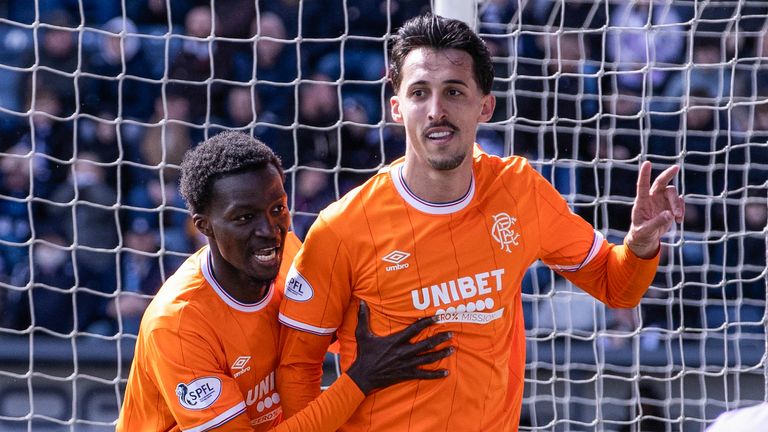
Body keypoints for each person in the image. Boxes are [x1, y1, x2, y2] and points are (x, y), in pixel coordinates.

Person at [277, 13, 685, 431]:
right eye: (419, 93)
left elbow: (617, 287)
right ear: (397, 108)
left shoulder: (519, 190)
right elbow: (296, 366)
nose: (436, 110)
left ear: (485, 106)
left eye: (454, 91)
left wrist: (639, 245)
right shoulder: (342, 227)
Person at [117, 131, 454, 432]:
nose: (270, 231)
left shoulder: (290, 255)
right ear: (203, 226)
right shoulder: (177, 324)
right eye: (244, 218)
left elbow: (337, 335)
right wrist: (360, 380)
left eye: (277, 209)